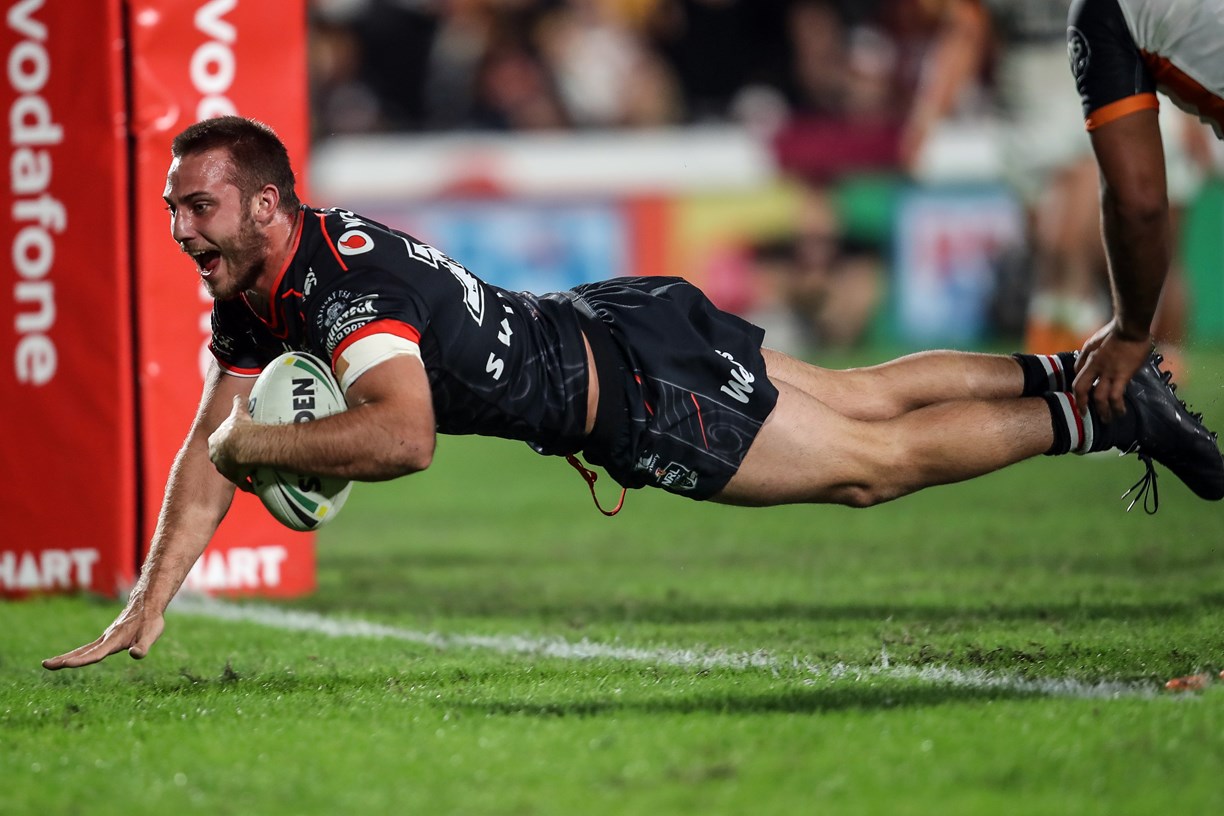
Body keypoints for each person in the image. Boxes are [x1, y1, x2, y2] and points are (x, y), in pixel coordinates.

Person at [42, 115, 1222, 672]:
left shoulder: (343, 289)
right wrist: (153, 598)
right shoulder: (264, 287)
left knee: (874, 466)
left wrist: (261, 452)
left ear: (264, 202)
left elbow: (402, 437)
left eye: (197, 206)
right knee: (863, 396)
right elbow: (213, 437)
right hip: (617, 316)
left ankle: (1103, 411)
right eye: (172, 207)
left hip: (634, 396)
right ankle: (1084, 368)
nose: (179, 228)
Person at [1064, 0, 1224, 422]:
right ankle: (1167, 356)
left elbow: (1140, 206)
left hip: (1159, 108)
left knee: (1164, 242)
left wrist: (1130, 332)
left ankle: (1164, 354)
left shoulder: (1104, 11)